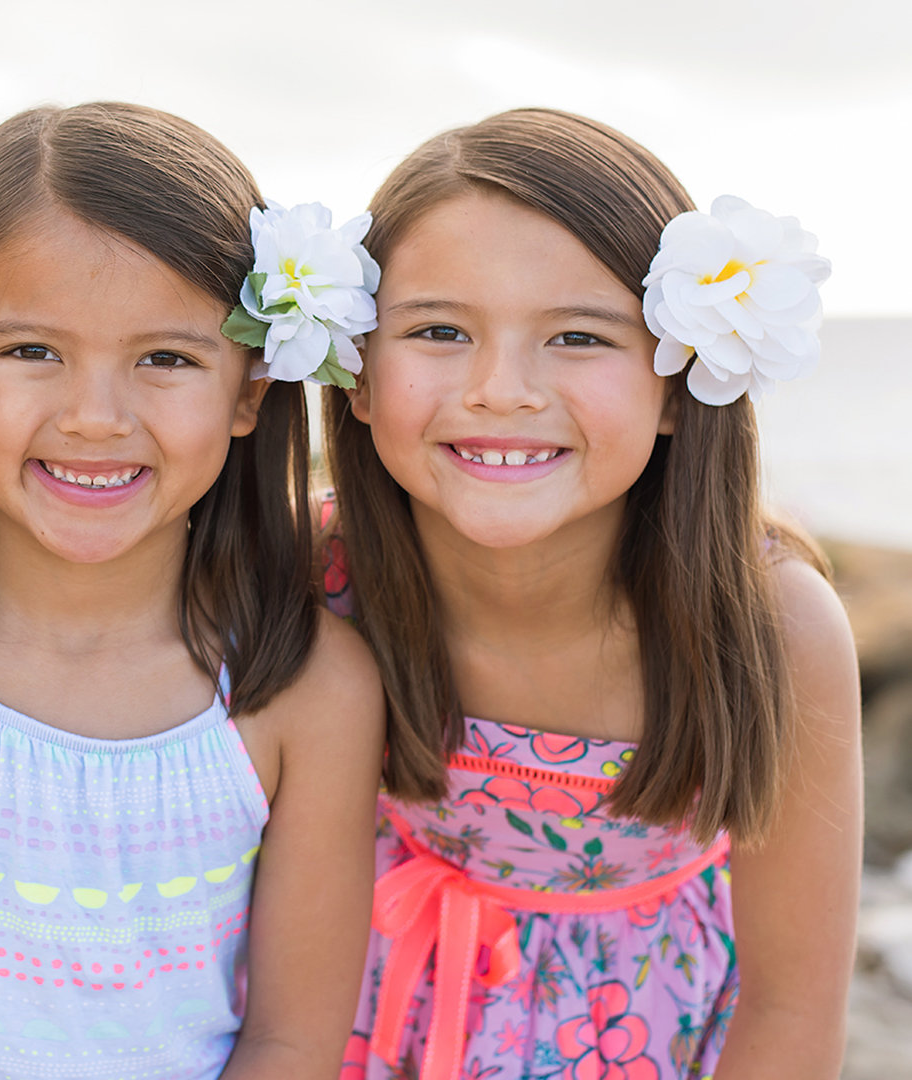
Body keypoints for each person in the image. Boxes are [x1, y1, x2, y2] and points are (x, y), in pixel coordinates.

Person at [0, 103, 387, 1080]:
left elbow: (290, 1043)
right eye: (31, 352)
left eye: (165, 359)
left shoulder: (311, 687)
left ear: (249, 391)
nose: (95, 417)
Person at [321, 108, 861, 1080]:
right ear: (355, 371)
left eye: (575, 335)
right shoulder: (315, 576)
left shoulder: (768, 626)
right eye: (438, 330)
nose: (500, 389)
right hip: (354, 1024)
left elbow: (790, 1008)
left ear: (675, 381)